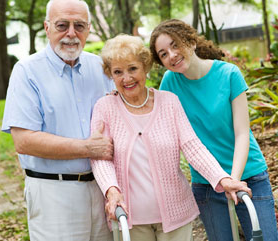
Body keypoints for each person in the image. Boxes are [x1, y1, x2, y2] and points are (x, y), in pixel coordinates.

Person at [89, 34, 252, 241]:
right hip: (128, 218)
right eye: (118, 72)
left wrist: (223, 178)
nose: (126, 78)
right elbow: (101, 158)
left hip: (176, 217)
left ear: (145, 67)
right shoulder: (105, 107)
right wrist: (112, 191)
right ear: (110, 75)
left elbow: (193, 147)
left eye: (132, 69)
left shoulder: (169, 102)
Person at [149, 19, 278, 241]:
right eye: (163, 54)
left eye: (174, 45)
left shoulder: (229, 74)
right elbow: (154, 121)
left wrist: (233, 180)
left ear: (190, 40)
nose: (171, 55)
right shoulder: (170, 82)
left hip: (249, 176)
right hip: (207, 183)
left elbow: (241, 133)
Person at [2, 0, 115, 240]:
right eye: (62, 25)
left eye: (80, 26)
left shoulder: (101, 68)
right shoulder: (26, 71)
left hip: (102, 190)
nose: (71, 33)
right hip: (53, 193)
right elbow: (24, 141)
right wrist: (88, 148)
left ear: (89, 28)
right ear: (47, 27)